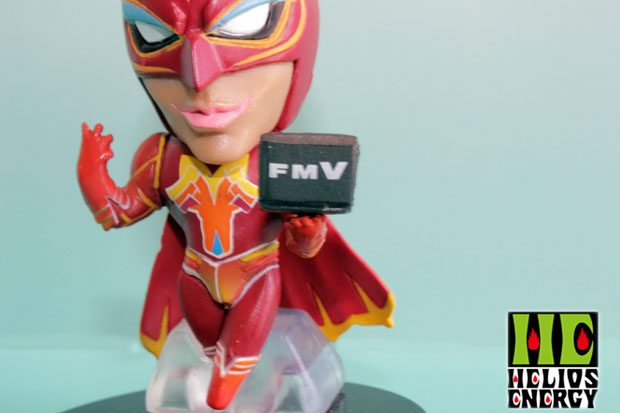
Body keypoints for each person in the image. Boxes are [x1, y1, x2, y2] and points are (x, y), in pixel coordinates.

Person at [78, 0, 394, 409]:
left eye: (244, 24)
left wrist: (308, 233)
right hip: (195, 276)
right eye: (155, 33)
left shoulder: (277, 161)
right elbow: (116, 212)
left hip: (256, 275)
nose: (199, 77)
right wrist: (92, 171)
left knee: (229, 375)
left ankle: (226, 393)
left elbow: (303, 245)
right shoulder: (160, 159)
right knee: (209, 354)